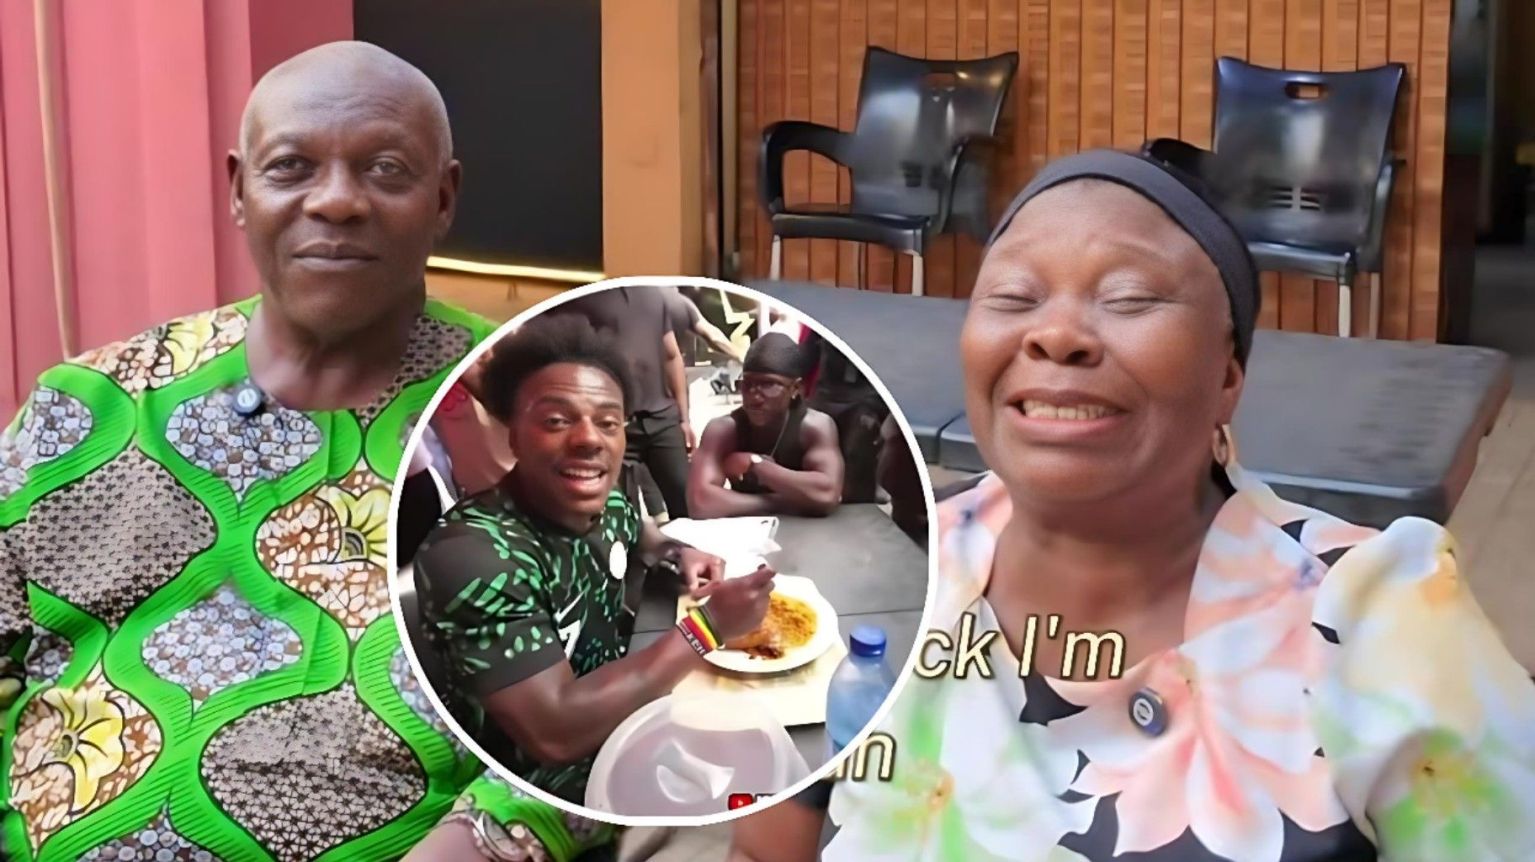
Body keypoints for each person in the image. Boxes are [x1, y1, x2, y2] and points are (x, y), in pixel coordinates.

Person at [730, 150, 1535, 861]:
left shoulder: (1374, 621)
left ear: (1228, 375)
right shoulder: (895, 580)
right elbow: (767, 850)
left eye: (1128, 296)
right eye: (1012, 295)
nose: (1056, 335)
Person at [0, 41, 610, 862]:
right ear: (239, 191)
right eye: (291, 167)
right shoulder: (90, 409)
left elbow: (603, 712)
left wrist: (485, 838)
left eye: (385, 169)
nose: (337, 202)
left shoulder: (524, 415)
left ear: (443, 198)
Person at [411, 315, 777, 805]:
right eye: (557, 421)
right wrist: (708, 628)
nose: (589, 439)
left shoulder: (609, 501)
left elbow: (642, 538)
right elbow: (554, 733)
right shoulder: (472, 555)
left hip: (625, 723)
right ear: (514, 435)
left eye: (608, 422)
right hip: (522, 794)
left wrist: (679, 552)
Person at [551, 286, 694, 520]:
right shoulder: (581, 297)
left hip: (662, 417)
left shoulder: (654, 296)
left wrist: (684, 419)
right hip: (613, 422)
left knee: (687, 500)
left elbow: (671, 355)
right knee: (619, 511)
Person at [688, 333, 844, 519]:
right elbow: (700, 502)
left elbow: (827, 495)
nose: (754, 397)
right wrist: (786, 501)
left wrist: (757, 467)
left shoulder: (814, 427)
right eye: (747, 384)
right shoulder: (724, 429)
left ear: (795, 388)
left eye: (768, 384)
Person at [662, 286, 747, 364]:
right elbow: (713, 336)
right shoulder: (679, 301)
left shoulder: (658, 299)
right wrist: (741, 356)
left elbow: (708, 339)